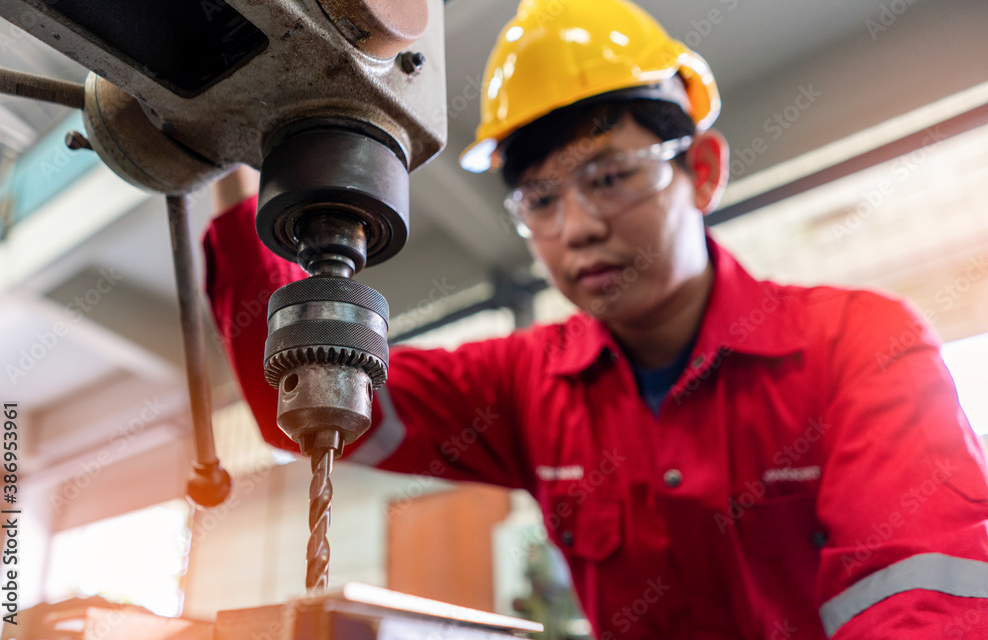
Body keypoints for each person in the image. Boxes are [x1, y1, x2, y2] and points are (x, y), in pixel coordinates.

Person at [202, 0, 988, 637]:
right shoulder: (525, 383)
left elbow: (923, 602)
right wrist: (233, 131)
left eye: (611, 177)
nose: (576, 227)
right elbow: (310, 405)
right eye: (540, 200)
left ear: (702, 171)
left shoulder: (861, 346)